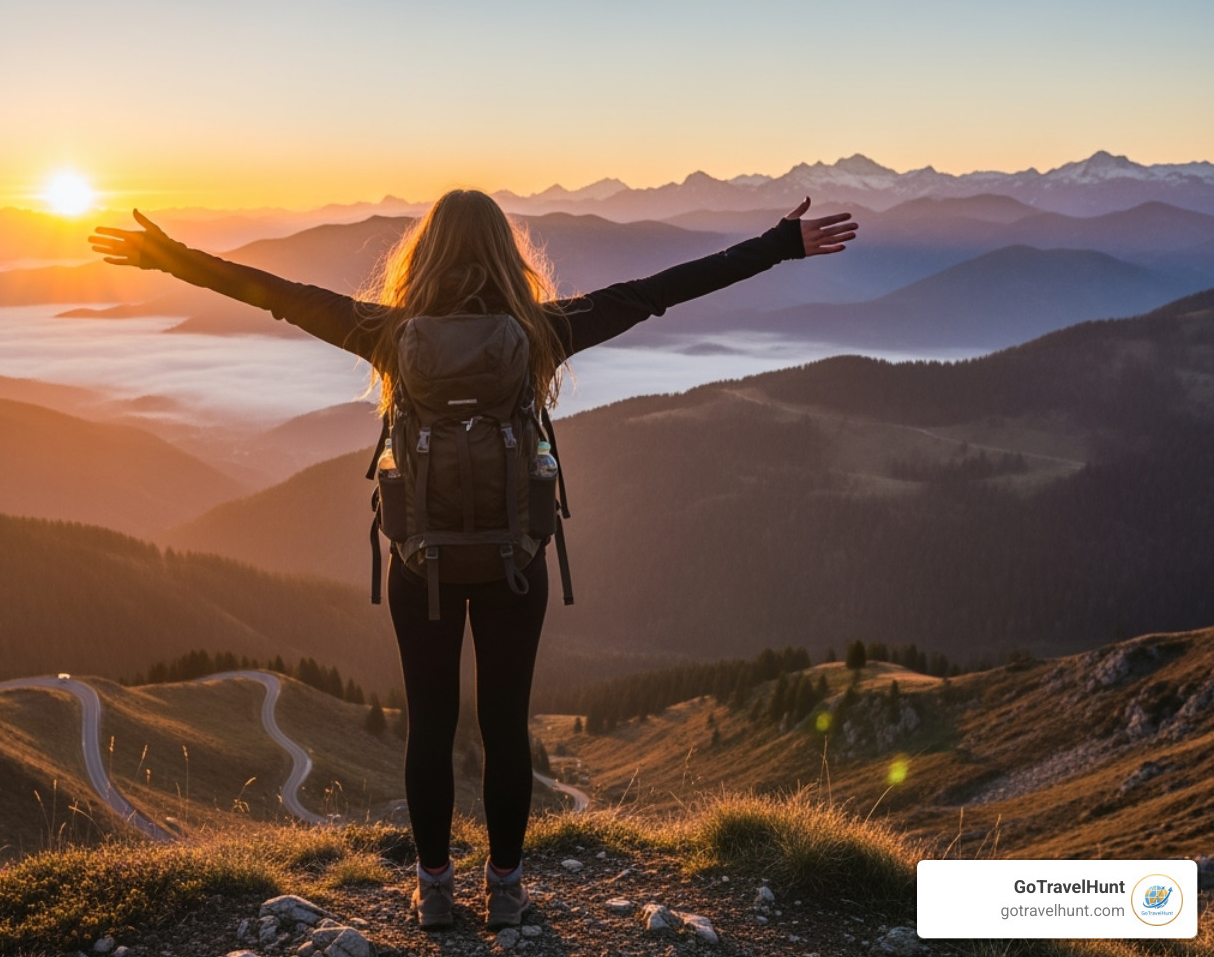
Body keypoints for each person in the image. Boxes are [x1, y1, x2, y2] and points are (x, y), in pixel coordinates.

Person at [90, 190, 855, 930]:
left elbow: (277, 294)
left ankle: (433, 892)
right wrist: (777, 246)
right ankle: (506, 891)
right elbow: (657, 292)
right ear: (505, 254)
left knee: (430, 727)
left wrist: (171, 258)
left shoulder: (389, 334)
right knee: (503, 728)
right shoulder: (541, 332)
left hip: (420, 567)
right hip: (515, 563)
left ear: (421, 257)